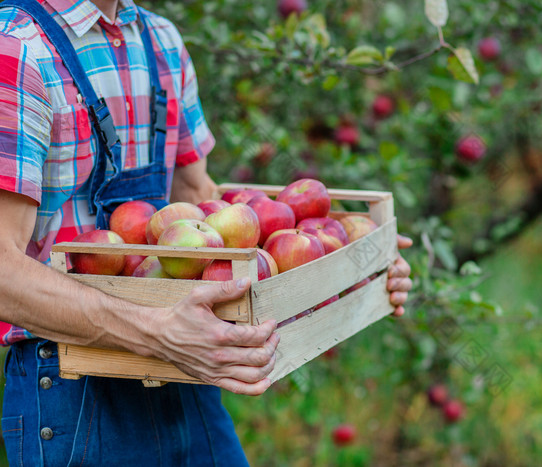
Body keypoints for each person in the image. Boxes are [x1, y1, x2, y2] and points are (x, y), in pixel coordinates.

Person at [0, 0, 413, 465]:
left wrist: (352, 261)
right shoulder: (17, 50)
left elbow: (201, 201)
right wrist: (158, 332)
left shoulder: (159, 42)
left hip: (186, 371)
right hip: (76, 385)